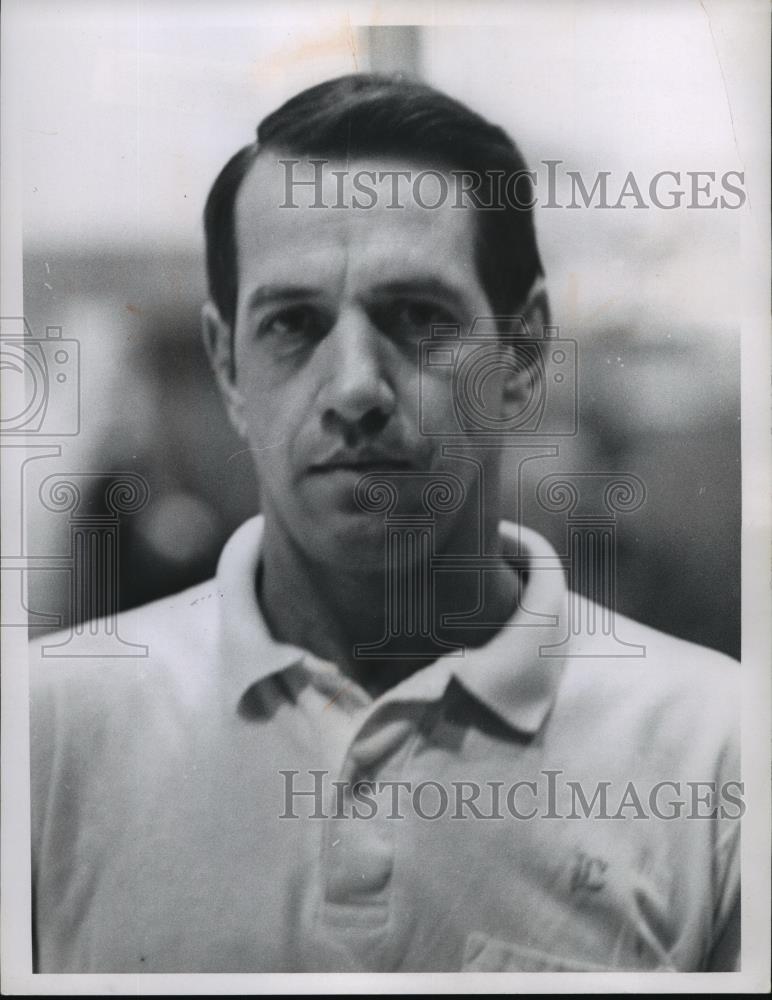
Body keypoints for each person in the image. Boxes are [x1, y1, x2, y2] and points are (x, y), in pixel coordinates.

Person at [30, 73, 740, 974]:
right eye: (293, 324)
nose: (356, 387)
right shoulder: (45, 730)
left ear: (520, 360)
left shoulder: (716, 750)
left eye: (416, 318)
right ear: (227, 367)